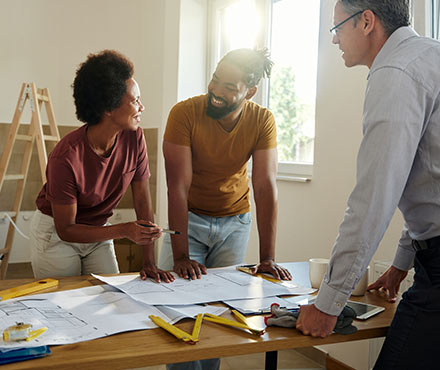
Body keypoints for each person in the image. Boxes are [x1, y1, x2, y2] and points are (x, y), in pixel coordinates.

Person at [296, 1, 440, 369]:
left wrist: (329, 303)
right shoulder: (429, 55)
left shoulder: (395, 72)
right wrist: (403, 261)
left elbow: (374, 197)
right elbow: (426, 178)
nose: (333, 40)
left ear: (366, 22)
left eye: (336, 28)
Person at [159, 48, 292, 370]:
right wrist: (179, 256)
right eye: (215, 81)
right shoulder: (184, 113)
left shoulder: (262, 120)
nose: (216, 92)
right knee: (179, 313)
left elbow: (265, 186)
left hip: (234, 223)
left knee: (219, 315)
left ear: (250, 91)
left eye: (229, 88)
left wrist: (268, 258)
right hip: (188, 221)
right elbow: (177, 187)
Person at [30, 50, 174, 283]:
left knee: (111, 297)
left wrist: (149, 262)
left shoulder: (135, 138)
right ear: (108, 108)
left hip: (98, 231)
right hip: (57, 235)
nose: (142, 107)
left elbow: (142, 201)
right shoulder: (65, 157)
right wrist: (124, 230)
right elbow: (66, 228)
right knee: (63, 306)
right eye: (135, 100)